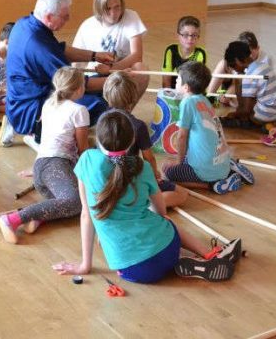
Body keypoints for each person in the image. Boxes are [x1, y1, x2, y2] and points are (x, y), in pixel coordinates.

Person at [51, 111, 241, 283]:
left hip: (132, 270)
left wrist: (85, 265)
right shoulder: (143, 167)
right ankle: (208, 254)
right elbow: (160, 208)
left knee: (124, 240)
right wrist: (162, 216)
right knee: (166, 224)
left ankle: (185, 262)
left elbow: (86, 216)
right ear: (132, 139)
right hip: (168, 248)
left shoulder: (87, 160)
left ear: (99, 140)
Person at [0, 0, 114, 147]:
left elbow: (59, 49)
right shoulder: (38, 45)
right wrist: (115, 80)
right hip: (31, 110)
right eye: (65, 17)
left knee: (98, 89)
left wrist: (94, 55)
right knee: (98, 104)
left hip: (18, 101)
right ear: (48, 17)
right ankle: (37, 133)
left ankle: (17, 122)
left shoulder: (24, 23)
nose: (68, 19)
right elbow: (75, 84)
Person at [0, 67, 89, 244]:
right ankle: (12, 219)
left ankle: (38, 217)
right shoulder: (79, 110)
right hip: (56, 167)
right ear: (79, 89)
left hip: (42, 170)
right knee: (76, 202)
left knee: (64, 202)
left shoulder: (50, 103)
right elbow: (83, 149)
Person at [162, 61, 255, 194]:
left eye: (177, 79)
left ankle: (214, 184)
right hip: (221, 160)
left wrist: (178, 161)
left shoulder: (187, 102)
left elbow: (182, 137)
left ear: (186, 88)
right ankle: (229, 169)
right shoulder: (204, 100)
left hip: (206, 168)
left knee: (168, 173)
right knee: (187, 158)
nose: (175, 81)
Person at [103, 71, 188, 207]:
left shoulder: (102, 119)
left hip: (107, 178)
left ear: (107, 95)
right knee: (182, 194)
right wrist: (154, 176)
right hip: (131, 179)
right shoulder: (138, 126)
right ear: (133, 97)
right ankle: (145, 204)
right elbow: (149, 158)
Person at [72, 0, 149, 96]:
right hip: (95, 74)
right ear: (99, 8)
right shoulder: (87, 25)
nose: (113, 13)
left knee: (140, 69)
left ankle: (124, 111)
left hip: (121, 72)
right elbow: (75, 63)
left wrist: (111, 68)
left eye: (117, 7)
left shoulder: (131, 16)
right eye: (108, 9)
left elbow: (137, 55)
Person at [219, 41, 276, 130]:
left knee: (239, 81)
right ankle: (267, 123)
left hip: (265, 116)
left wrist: (234, 114)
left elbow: (247, 110)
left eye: (233, 66)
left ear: (237, 61)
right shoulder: (265, 66)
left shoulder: (249, 76)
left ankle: (246, 122)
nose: (234, 70)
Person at [207, 30, 272, 102]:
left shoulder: (265, 60)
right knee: (223, 64)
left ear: (258, 48)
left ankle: (226, 98)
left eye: (251, 53)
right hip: (234, 81)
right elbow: (236, 77)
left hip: (249, 87)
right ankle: (210, 96)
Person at [161, 16, 207, 89]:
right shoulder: (171, 50)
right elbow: (166, 78)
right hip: (173, 91)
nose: (190, 38)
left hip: (191, 92)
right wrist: (169, 96)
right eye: (185, 35)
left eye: (194, 35)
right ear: (178, 36)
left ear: (198, 37)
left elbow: (196, 82)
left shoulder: (200, 53)